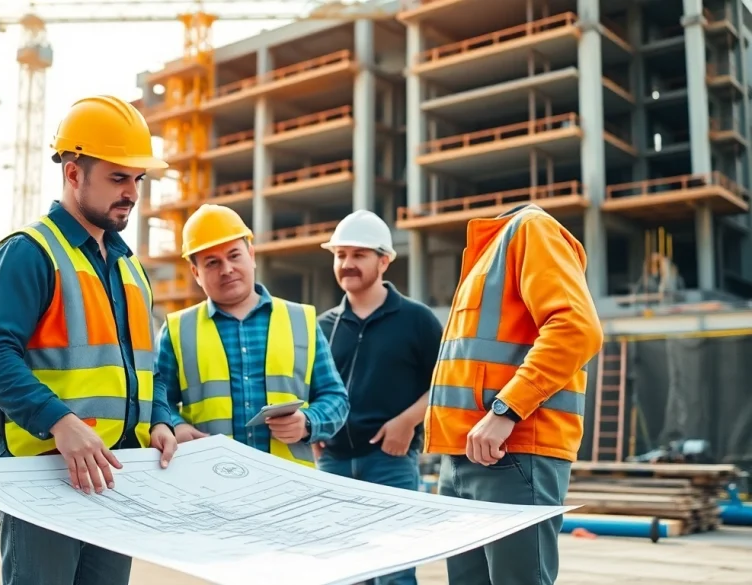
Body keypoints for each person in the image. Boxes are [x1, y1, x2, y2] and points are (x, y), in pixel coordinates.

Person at [0, 94, 179, 585]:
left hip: (115, 476)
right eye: (117, 177)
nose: (131, 192)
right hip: (42, 473)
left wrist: (162, 419)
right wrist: (60, 422)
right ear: (73, 173)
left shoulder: (130, 268)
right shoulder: (28, 253)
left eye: (137, 180)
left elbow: (146, 369)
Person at [425, 203, 603, 585]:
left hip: (513, 451)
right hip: (463, 454)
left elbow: (577, 328)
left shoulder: (530, 229)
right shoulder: (487, 250)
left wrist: (505, 411)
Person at [154, 204, 349, 466]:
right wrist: (174, 426)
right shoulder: (177, 330)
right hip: (209, 480)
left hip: (288, 485)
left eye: (234, 255)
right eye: (212, 262)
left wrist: (308, 422)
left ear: (252, 255)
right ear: (195, 273)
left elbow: (336, 398)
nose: (226, 269)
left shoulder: (301, 320)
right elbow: (155, 399)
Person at [316, 210, 442, 585]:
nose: (347, 264)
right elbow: (313, 389)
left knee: (395, 572)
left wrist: (408, 421)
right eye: (340, 255)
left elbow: (446, 382)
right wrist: (317, 427)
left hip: (390, 463)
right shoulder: (323, 326)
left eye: (359, 255)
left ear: (384, 260)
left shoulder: (417, 320)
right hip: (334, 465)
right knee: (342, 571)